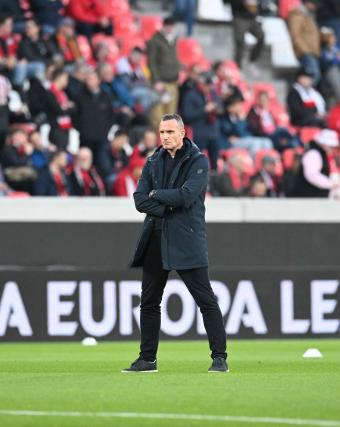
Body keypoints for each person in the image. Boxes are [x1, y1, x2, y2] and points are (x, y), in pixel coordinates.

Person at [125, 113, 228, 373]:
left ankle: (219, 358)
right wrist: (165, 206)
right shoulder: (152, 161)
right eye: (162, 132)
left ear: (183, 133)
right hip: (155, 238)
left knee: (206, 300)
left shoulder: (198, 161)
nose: (166, 137)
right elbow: (139, 201)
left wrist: (156, 195)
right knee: (149, 302)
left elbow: (186, 196)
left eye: (170, 132)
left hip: (185, 239)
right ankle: (147, 359)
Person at [146, 18, 181, 128]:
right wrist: (156, 80)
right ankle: (156, 141)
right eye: (168, 26)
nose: (170, 29)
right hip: (161, 82)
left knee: (171, 115)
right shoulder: (155, 40)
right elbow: (151, 62)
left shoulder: (174, 39)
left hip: (172, 81)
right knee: (158, 115)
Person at [293, 129, 339, 197]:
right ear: (324, 144)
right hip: (308, 197)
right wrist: (330, 184)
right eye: (332, 147)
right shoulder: (313, 154)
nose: (333, 150)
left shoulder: (322, 155)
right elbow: (312, 175)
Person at [288, 1, 322, 85]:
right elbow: (295, 35)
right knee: (313, 76)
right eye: (314, 4)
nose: (315, 7)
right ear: (307, 3)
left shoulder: (308, 16)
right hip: (305, 53)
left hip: (311, 52)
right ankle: (302, 96)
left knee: (311, 77)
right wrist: (305, 51)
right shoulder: (298, 15)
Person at [228, 0, 264, 72]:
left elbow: (259, 5)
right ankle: (237, 65)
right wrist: (244, 3)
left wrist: (257, 7)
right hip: (239, 17)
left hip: (251, 18)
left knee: (261, 36)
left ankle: (252, 60)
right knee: (240, 41)